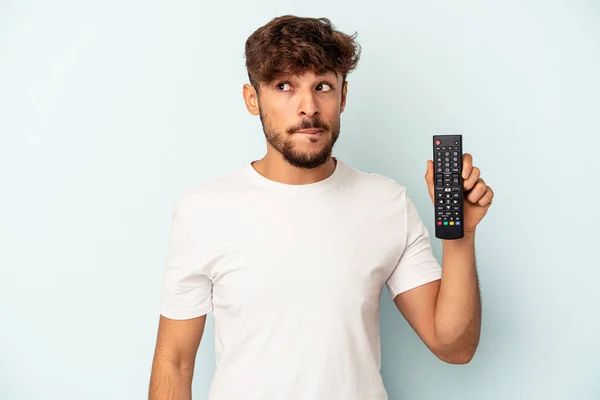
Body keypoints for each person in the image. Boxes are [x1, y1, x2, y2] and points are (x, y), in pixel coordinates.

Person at [149, 15, 494, 400]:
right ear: (252, 98)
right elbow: (174, 361)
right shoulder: (203, 211)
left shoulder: (386, 202)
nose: (308, 107)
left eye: (323, 86)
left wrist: (460, 238)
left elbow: (454, 347)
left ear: (343, 96)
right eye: (284, 86)